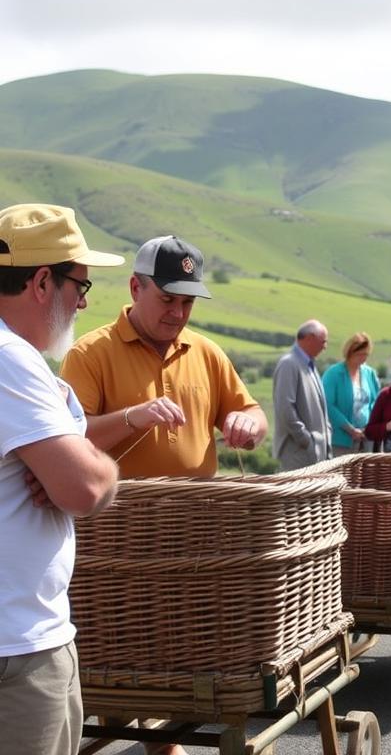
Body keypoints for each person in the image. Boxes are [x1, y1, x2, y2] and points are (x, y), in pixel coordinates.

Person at [0, 203, 121, 755]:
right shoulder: (10, 359)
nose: (85, 300)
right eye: (80, 283)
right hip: (19, 645)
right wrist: (97, 463)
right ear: (43, 281)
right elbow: (85, 488)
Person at [61, 235, 268, 479]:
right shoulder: (88, 354)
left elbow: (255, 415)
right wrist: (132, 418)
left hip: (203, 512)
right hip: (119, 514)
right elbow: (68, 443)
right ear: (136, 288)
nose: (178, 313)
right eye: (167, 299)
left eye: (188, 302)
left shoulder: (207, 352)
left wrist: (248, 425)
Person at [272, 320, 333, 470]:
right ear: (310, 338)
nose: (325, 347)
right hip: (297, 452)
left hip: (311, 452)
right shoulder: (289, 363)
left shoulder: (308, 364)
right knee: (296, 494)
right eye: (323, 341)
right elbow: (285, 408)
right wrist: (305, 440)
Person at [322, 331, 381, 456]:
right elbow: (328, 405)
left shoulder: (369, 373)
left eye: (365, 355)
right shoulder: (334, 374)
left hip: (366, 438)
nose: (362, 358)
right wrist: (350, 429)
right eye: (359, 354)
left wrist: (369, 426)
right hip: (341, 439)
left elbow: (376, 402)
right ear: (349, 352)